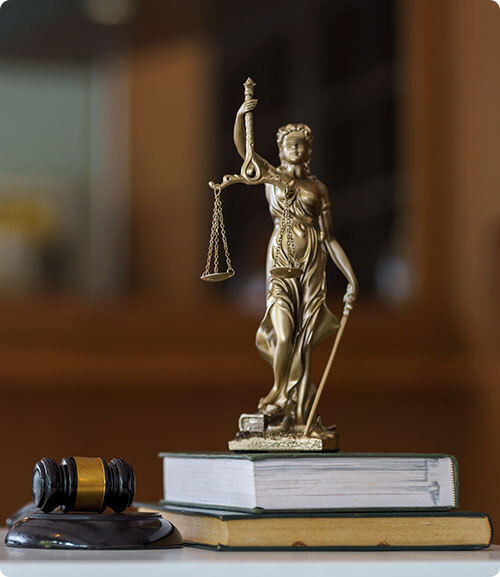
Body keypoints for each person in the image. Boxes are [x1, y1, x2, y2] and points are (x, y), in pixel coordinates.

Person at [233, 97, 358, 434]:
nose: (295, 148)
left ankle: (298, 412)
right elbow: (245, 153)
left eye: (301, 144)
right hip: (281, 265)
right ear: (280, 148)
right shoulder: (273, 179)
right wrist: (243, 114)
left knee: (305, 340)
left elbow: (329, 238)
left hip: (312, 266)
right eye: (290, 143)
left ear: (309, 150)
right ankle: (277, 394)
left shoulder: (317, 188)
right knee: (284, 333)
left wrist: (350, 278)